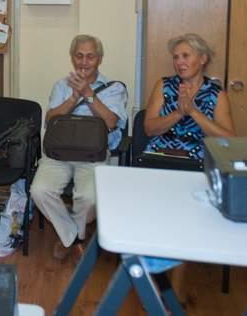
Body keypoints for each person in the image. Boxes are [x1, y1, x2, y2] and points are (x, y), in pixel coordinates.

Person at [30, 34, 128, 261]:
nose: (84, 62)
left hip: (93, 154)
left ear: (99, 59)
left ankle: (72, 234)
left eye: (90, 57)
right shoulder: (61, 85)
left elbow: (112, 123)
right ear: (72, 58)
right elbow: (50, 120)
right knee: (39, 190)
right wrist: (73, 98)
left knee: (89, 197)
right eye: (79, 56)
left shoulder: (114, 88)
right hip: (60, 152)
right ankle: (74, 237)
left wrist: (88, 95)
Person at [143, 33, 235, 162]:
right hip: (160, 156)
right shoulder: (164, 86)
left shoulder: (216, 93)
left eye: (185, 56)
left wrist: (193, 112)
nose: (179, 62)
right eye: (175, 57)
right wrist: (178, 113)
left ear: (203, 59)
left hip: (199, 161)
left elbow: (229, 139)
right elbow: (149, 129)